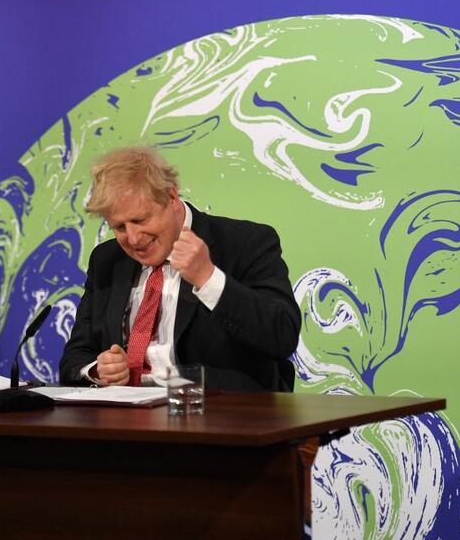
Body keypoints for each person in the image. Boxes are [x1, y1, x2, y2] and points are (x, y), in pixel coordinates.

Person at [59, 147, 301, 391]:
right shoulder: (107, 260)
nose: (133, 238)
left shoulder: (245, 243)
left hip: (218, 414)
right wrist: (98, 370)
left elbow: (282, 336)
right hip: (126, 419)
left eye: (141, 220)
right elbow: (75, 356)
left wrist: (208, 279)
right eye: (120, 227)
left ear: (171, 197)